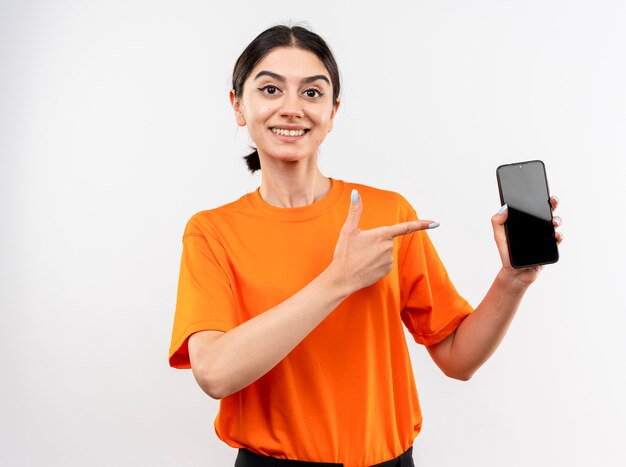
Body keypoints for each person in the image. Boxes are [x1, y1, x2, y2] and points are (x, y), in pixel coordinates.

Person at [168, 25, 563, 467]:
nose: (292, 108)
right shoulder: (212, 231)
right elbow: (215, 373)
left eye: (313, 93)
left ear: (333, 111)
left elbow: (458, 359)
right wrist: (339, 280)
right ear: (238, 105)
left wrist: (512, 279)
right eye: (271, 89)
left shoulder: (388, 214)